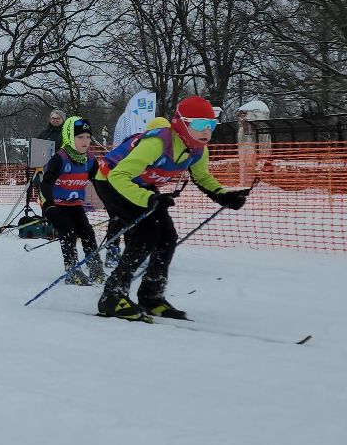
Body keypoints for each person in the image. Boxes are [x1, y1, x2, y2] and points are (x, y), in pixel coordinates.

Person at [92, 95, 249, 322]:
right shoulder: (157, 143)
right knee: (146, 233)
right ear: (182, 124)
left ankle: (151, 296)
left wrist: (223, 196)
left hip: (141, 184)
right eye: (199, 125)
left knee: (167, 236)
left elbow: (202, 177)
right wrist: (149, 199)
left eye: (211, 125)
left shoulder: (198, 149)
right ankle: (113, 296)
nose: (207, 131)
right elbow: (120, 175)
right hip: (111, 180)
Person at [35, 116, 100, 286]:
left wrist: (114, 203)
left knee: (87, 232)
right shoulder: (60, 158)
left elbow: (100, 184)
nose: (85, 141)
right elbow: (46, 183)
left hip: (75, 204)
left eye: (87, 137)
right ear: (70, 137)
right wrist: (49, 205)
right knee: (69, 231)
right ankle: (72, 270)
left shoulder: (90, 160)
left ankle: (95, 267)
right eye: (80, 137)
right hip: (55, 204)